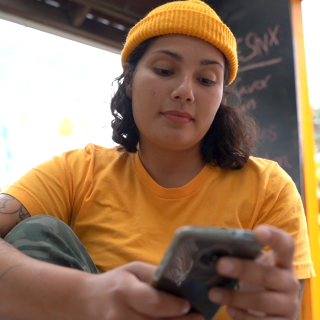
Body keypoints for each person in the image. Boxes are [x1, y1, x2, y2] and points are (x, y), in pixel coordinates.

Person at [0, 0, 315, 319]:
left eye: (206, 80)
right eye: (164, 70)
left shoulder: (269, 188)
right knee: (39, 231)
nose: (184, 91)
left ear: (221, 97)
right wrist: (85, 295)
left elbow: (285, 303)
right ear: (130, 80)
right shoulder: (78, 172)